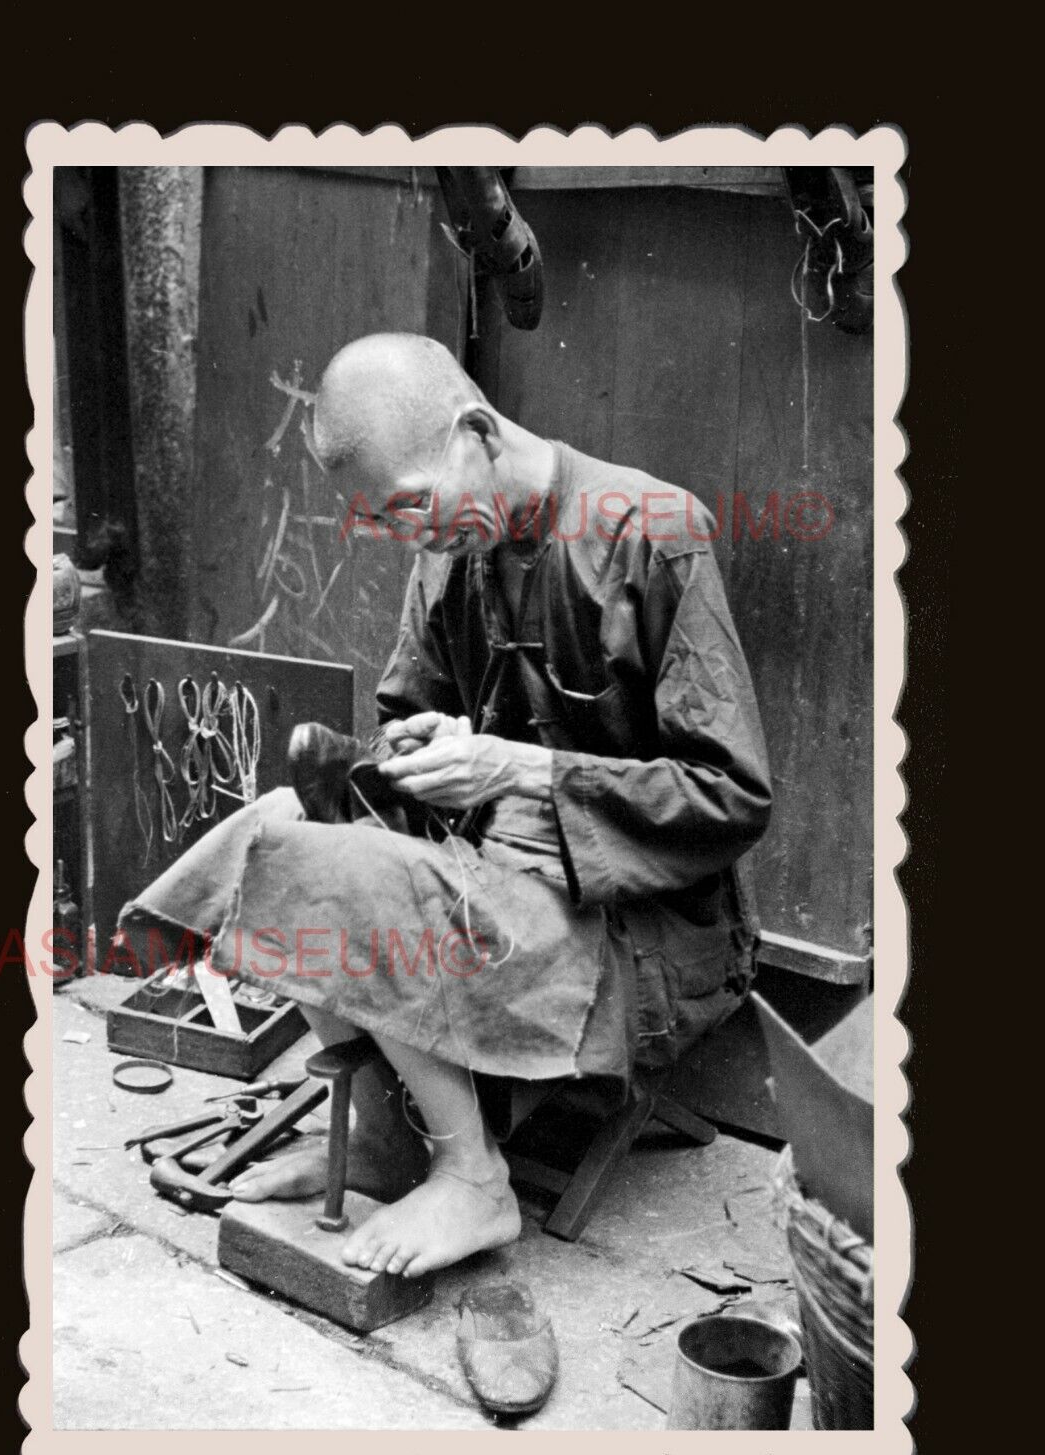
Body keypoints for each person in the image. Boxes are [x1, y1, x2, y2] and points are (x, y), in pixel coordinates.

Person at [119, 332, 771, 1281]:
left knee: (343, 875)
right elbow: (404, 728)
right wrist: (398, 759)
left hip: (642, 926)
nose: (407, 536)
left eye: (413, 505)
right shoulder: (449, 546)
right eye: (381, 521)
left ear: (476, 429)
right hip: (488, 883)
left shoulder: (649, 530)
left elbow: (732, 797)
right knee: (278, 832)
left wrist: (517, 771)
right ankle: (388, 1137)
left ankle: (475, 1180)